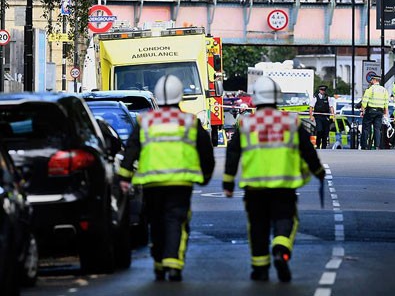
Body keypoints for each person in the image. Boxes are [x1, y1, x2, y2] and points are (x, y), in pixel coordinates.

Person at [222, 76, 325, 283]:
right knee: (285, 221)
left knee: (257, 227)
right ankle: (281, 250)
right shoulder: (291, 122)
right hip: (283, 187)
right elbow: (307, 150)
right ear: (277, 97)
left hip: (254, 188)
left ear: (256, 99)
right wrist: (318, 171)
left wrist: (228, 182)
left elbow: (233, 154)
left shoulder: (246, 123)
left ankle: (260, 269)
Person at [118, 75, 215, 282]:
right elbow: (205, 152)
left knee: (156, 221)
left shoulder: (145, 121)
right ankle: (173, 262)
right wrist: (206, 175)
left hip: (151, 183)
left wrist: (124, 177)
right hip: (180, 182)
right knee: (176, 220)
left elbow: (131, 150)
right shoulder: (190, 121)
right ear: (179, 95)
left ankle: (159, 262)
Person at [360, 75, 389, 150]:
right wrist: (385, 113)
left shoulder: (370, 89)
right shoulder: (384, 90)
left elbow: (365, 100)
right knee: (377, 129)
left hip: (370, 111)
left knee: (366, 128)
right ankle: (377, 146)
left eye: (371, 79)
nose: (370, 81)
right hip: (380, 112)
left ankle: (364, 145)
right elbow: (386, 102)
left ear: (374, 80)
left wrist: (362, 110)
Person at [309, 85, 335, 149]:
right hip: (318, 116)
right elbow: (311, 107)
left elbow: (331, 107)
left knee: (325, 132)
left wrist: (333, 115)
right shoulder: (315, 97)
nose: (323, 91)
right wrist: (311, 116)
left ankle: (324, 146)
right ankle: (318, 145)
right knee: (319, 130)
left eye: (324, 90)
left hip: (325, 116)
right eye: (322, 90)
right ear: (319, 90)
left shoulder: (328, 98)